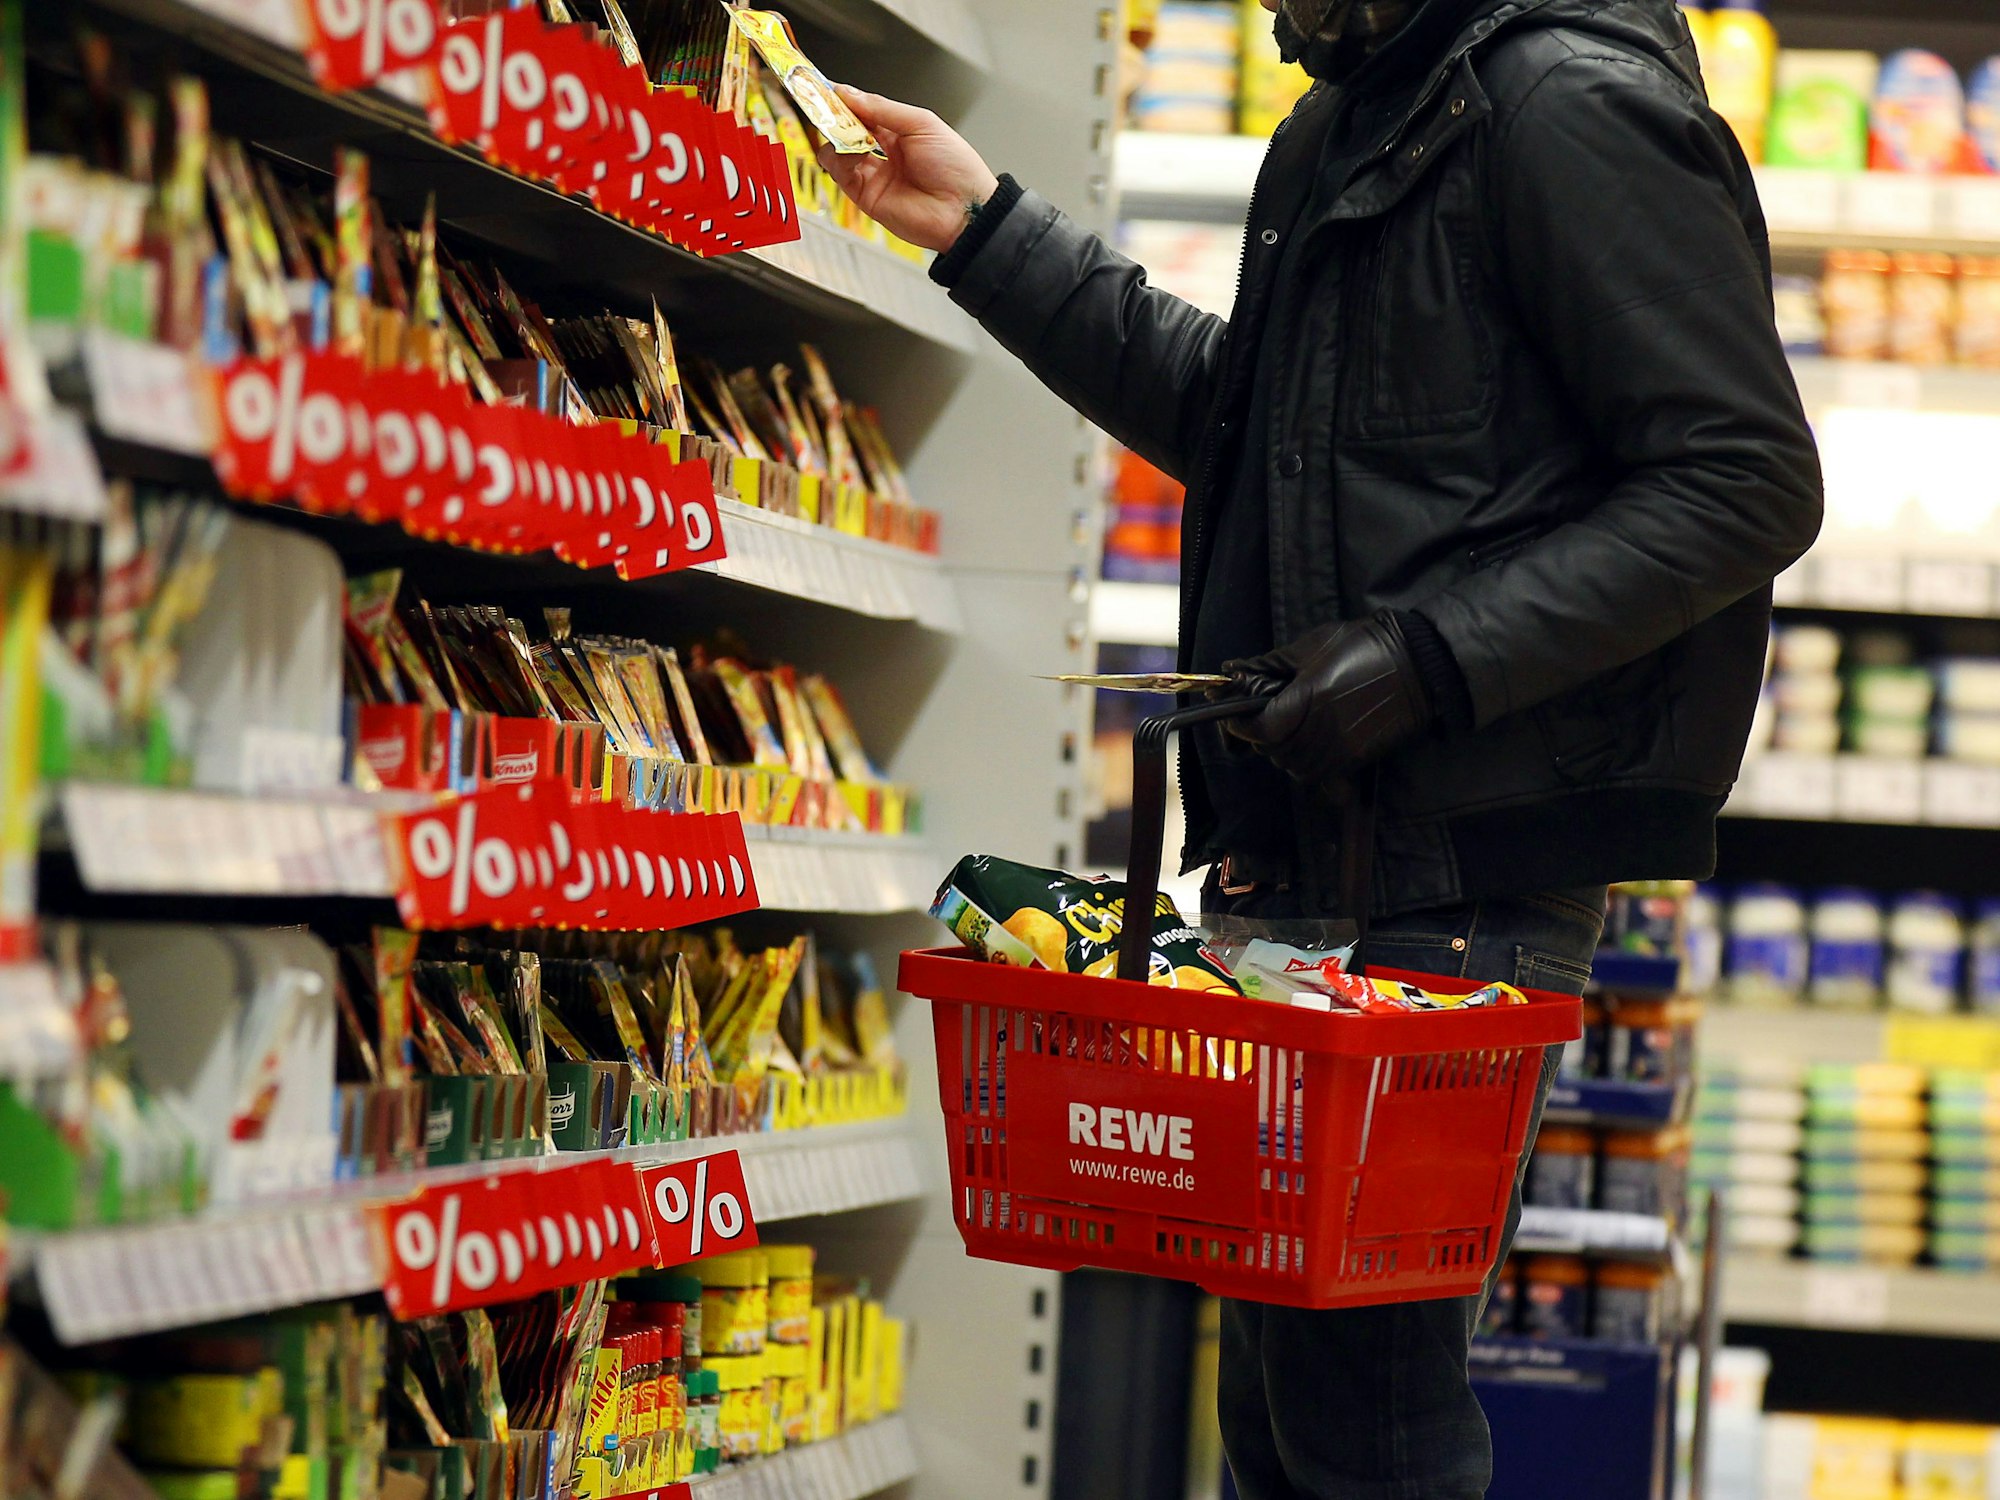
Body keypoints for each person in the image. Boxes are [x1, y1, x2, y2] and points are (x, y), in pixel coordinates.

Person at [818, 0, 1823, 1493]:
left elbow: (1746, 480)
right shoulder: (1345, 122)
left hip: (1456, 870)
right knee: (1285, 1427)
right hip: (1309, 844)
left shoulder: (1563, 105)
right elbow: (1252, 429)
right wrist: (984, 230)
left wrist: (1427, 658)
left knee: (1371, 1430)